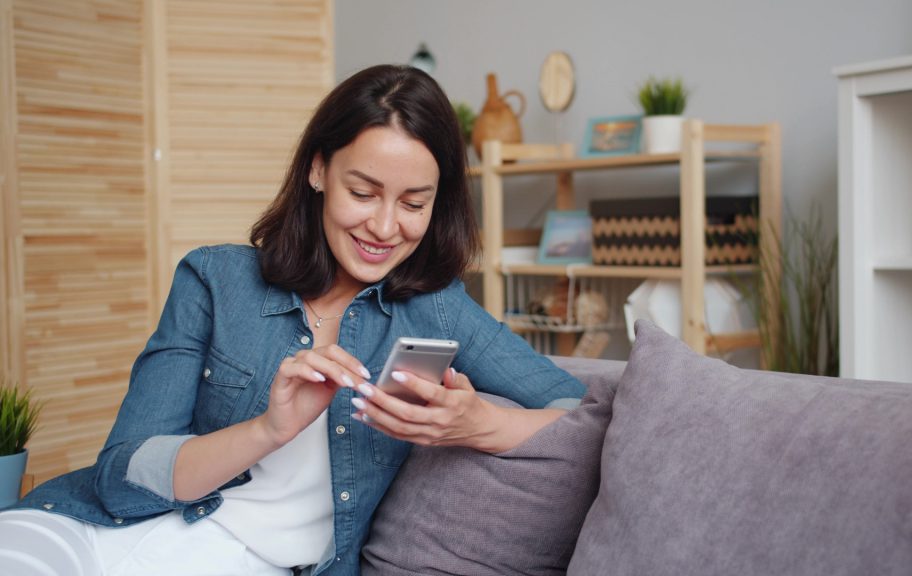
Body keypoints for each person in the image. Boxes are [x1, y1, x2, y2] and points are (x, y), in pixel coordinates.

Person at [0, 64, 585, 576]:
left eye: (413, 204)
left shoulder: (438, 308)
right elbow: (121, 476)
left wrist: (479, 425)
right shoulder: (214, 280)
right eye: (363, 191)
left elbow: (580, 412)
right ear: (318, 171)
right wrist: (266, 431)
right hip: (84, 534)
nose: (385, 228)